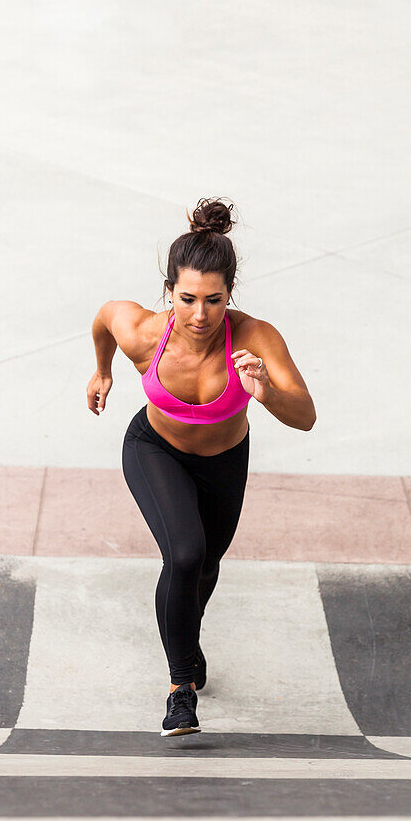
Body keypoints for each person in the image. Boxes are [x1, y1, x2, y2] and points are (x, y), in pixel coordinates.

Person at [87, 197, 316, 736]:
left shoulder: (255, 337)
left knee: (205, 567)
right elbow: (103, 319)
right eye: (187, 298)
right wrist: (102, 372)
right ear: (169, 291)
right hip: (155, 450)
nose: (200, 315)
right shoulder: (145, 331)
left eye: (214, 300)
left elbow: (304, 416)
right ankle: (181, 686)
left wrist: (264, 393)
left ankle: (184, 642)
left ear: (230, 294)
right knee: (185, 556)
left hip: (224, 462)